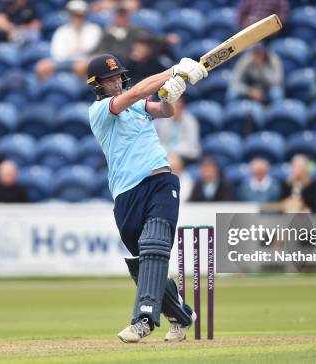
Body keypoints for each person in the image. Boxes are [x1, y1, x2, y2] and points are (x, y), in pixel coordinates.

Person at [86, 53, 207, 342]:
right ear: (98, 85)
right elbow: (138, 91)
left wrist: (172, 92)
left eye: (117, 76)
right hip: (126, 194)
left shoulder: (139, 105)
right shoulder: (100, 111)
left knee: (154, 244)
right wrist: (174, 71)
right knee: (144, 262)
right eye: (109, 79)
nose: (115, 82)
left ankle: (143, 320)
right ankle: (181, 314)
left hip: (160, 181)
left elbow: (167, 112)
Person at [35, 0, 102, 81]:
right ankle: (46, 90)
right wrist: (73, 51)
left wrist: (72, 51)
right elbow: (56, 51)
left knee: (81, 66)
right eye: (74, 15)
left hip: (83, 59)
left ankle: (82, 91)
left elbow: (89, 47)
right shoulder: (62, 30)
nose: (77, 18)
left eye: (80, 15)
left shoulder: (93, 29)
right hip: (63, 60)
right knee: (42, 67)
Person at [153, 97, 200, 164]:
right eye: (174, 107)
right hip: (165, 155)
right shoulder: (164, 120)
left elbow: (192, 146)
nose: (176, 110)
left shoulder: (191, 121)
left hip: (185, 157)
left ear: (183, 107)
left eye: (178, 107)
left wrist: (173, 153)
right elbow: (160, 142)